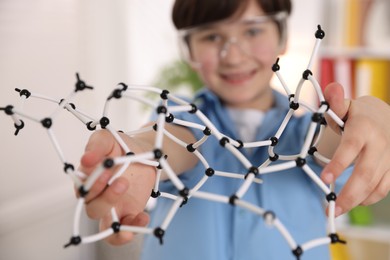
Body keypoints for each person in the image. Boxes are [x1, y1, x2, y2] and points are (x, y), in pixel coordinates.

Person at [78, 0, 390, 259]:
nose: (234, 54)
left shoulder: (302, 130)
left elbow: (330, 144)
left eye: (253, 30)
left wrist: (364, 121)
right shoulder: (183, 116)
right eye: (211, 37)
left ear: (282, 37)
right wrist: (133, 157)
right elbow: (168, 140)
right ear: (190, 50)